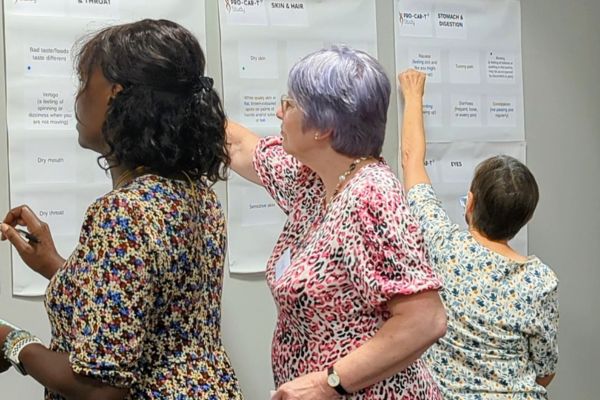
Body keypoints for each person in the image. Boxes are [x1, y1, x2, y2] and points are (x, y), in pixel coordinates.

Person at [0, 19, 243, 399]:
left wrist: (12, 341)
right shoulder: (196, 193)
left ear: (116, 94)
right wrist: (55, 267)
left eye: (84, 83)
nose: (78, 98)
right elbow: (140, 304)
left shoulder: (122, 213)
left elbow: (100, 388)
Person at [227, 45, 447, 399]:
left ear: (323, 128)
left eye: (290, 104)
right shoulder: (315, 180)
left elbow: (425, 320)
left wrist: (328, 382)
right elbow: (239, 147)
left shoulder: (371, 196)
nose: (278, 112)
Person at [398, 69, 559, 399]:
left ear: (469, 203)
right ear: (525, 218)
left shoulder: (443, 245)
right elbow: (544, 370)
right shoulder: (541, 281)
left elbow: (411, 161)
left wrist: (413, 96)